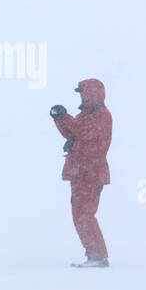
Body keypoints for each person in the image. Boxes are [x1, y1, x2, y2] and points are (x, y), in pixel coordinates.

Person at [51, 79, 112, 267]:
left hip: (90, 173)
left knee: (84, 215)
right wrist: (59, 119)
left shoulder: (102, 115)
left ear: (92, 93)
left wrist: (66, 117)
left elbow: (85, 132)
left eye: (82, 93)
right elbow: (72, 132)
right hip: (80, 173)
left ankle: (98, 256)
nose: (81, 97)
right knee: (80, 215)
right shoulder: (86, 114)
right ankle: (94, 255)